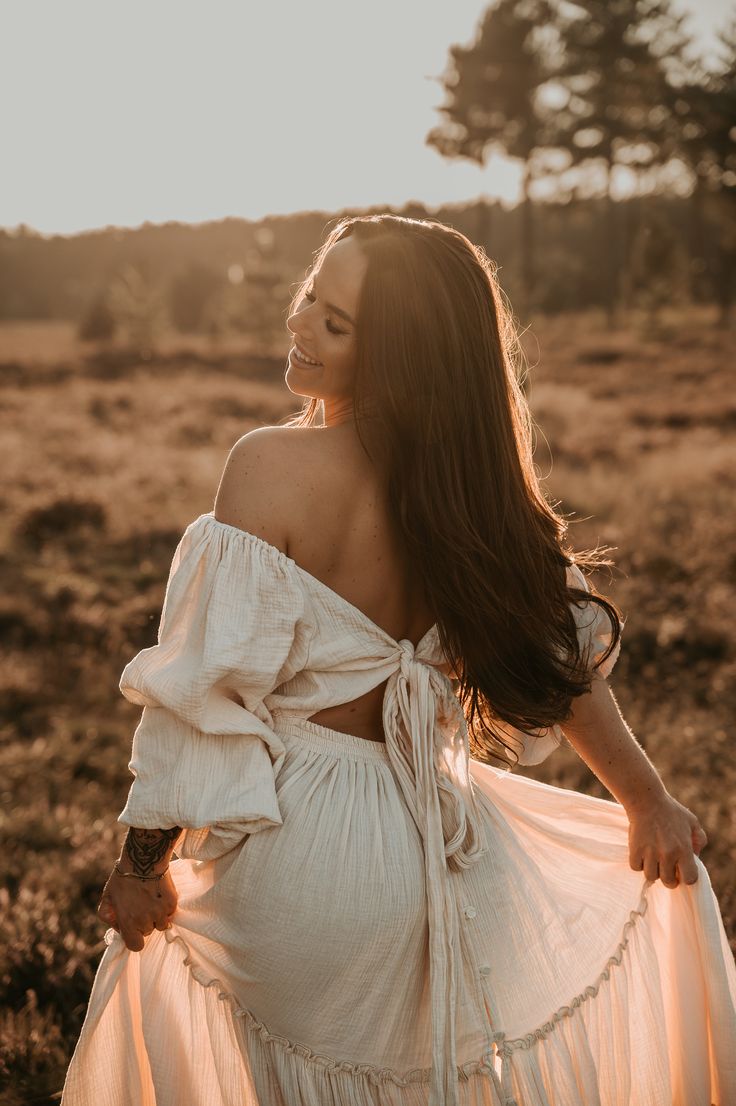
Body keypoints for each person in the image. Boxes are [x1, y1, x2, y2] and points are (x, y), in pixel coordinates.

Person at [61, 215, 736, 1106]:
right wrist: (646, 802)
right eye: (312, 297)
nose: (301, 327)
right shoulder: (480, 498)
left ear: (402, 357)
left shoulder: (268, 466)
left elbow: (205, 696)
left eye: (336, 325)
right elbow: (563, 675)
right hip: (445, 851)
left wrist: (144, 866)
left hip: (299, 854)